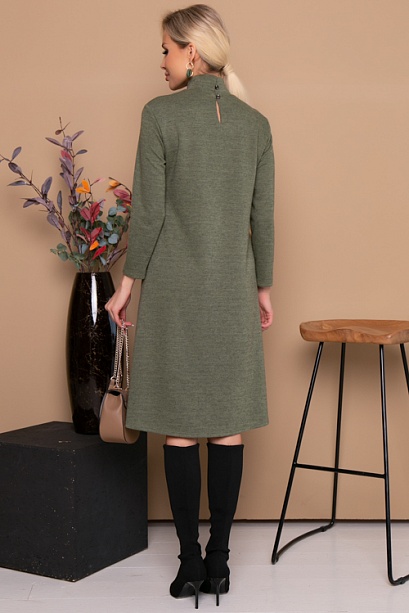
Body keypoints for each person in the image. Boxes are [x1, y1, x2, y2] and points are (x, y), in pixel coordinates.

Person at [105, 4, 274, 608]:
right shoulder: (256, 125)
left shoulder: (160, 115)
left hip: (175, 291)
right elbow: (261, 217)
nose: (162, 61)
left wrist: (127, 284)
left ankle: (188, 566)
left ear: (192, 53)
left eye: (166, 50)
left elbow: (149, 213)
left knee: (179, 428)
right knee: (226, 426)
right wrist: (263, 288)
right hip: (232, 289)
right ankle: (221, 564)